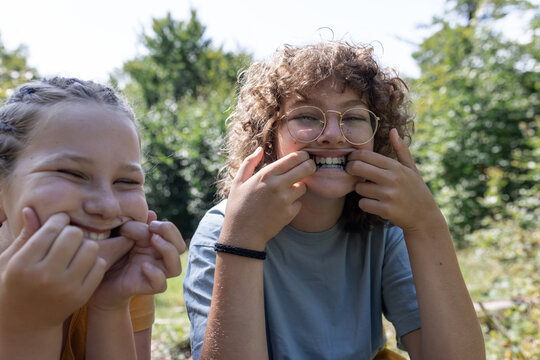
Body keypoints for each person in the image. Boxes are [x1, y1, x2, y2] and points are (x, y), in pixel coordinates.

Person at [183, 41, 485, 360]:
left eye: (353, 117)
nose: (332, 134)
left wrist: (427, 224)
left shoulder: (384, 229)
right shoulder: (222, 231)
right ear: (267, 136)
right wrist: (242, 240)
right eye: (307, 117)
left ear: (378, 135)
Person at [0, 77, 185, 359]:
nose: (108, 207)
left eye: (126, 181)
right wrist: (29, 325)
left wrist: (110, 304)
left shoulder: (118, 274)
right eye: (72, 173)